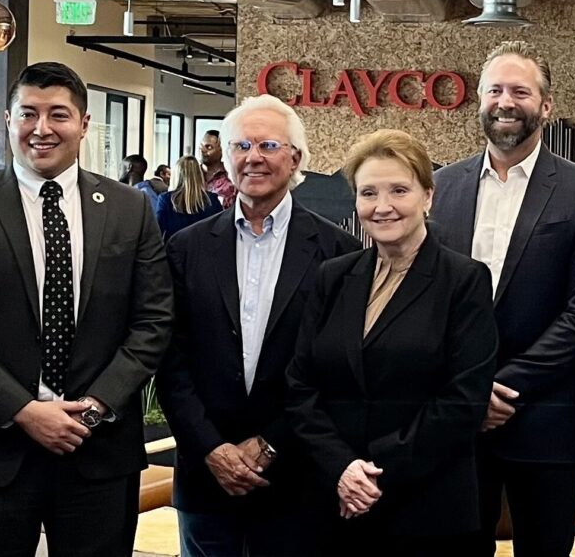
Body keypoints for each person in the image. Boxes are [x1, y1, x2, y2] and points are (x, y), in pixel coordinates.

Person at [0, 61, 174, 557]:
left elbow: (153, 321)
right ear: (7, 120)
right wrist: (25, 411)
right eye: (28, 113)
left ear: (83, 122)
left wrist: (96, 408)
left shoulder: (129, 207)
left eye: (58, 114)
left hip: (96, 448)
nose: (42, 128)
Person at [432, 40, 575, 556]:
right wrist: (468, 391)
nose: (505, 101)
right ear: (479, 101)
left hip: (546, 420)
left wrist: (501, 388)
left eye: (520, 91)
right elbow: (429, 303)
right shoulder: (443, 187)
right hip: (456, 422)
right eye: (494, 90)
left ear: (546, 106)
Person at [156, 95, 359, 557]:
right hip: (207, 477)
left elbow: (336, 370)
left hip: (298, 476)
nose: (254, 157)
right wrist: (211, 448)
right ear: (226, 157)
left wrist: (271, 443)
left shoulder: (339, 252)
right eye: (241, 145)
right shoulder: (187, 249)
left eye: (268, 144)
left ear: (296, 158)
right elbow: (170, 360)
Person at [287, 129, 499, 554]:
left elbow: (462, 402)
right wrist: (342, 468)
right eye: (368, 193)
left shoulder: (465, 280)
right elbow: (300, 385)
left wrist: (371, 474)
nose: (382, 207)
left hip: (428, 512)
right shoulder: (333, 276)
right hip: (336, 502)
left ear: (427, 196)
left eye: (399, 190)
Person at [156, 156, 223, 241]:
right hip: (205, 252)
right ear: (199, 175)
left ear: (176, 175)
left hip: (174, 251)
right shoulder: (212, 200)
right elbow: (220, 231)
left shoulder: (166, 199)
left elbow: (157, 233)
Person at [201, 129, 237, 209]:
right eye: (201, 146)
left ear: (221, 150)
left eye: (209, 147)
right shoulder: (192, 175)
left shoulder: (231, 177)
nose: (203, 150)